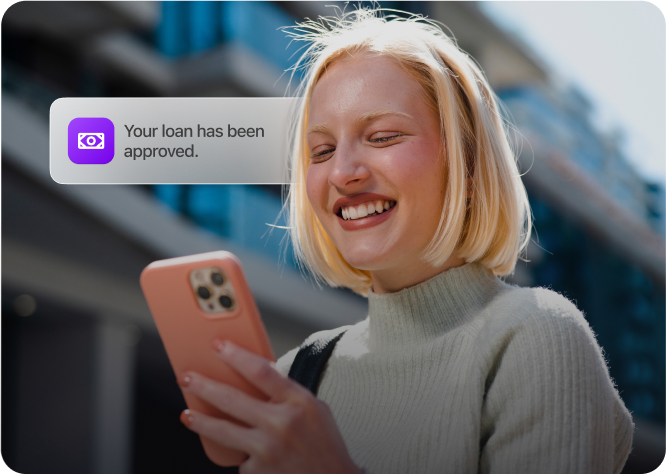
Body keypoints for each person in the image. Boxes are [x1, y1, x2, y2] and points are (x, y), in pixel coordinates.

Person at [175, 8, 634, 474]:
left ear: (467, 163)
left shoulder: (538, 335)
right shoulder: (300, 371)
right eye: (322, 151)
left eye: (382, 136)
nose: (342, 173)